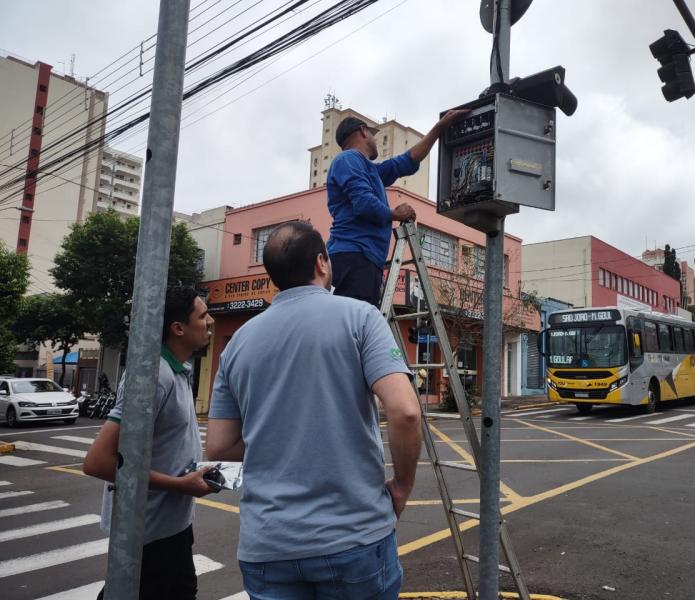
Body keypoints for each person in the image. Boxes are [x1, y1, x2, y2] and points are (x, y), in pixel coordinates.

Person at [207, 221, 422, 599]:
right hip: (354, 538)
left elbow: (220, 448)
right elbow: (405, 412)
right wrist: (402, 486)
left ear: (273, 276)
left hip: (266, 545)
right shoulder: (361, 317)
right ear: (322, 263)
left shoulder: (238, 342)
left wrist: (278, 437)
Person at [83, 287, 216, 600]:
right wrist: (180, 484)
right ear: (178, 328)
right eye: (202, 315)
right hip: (149, 533)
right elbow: (98, 461)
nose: (210, 321)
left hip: (174, 527)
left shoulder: (178, 370)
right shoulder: (154, 374)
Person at [326, 109, 469, 307]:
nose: (376, 141)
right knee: (356, 327)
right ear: (362, 131)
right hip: (353, 255)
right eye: (373, 135)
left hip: (364, 258)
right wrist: (395, 214)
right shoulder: (348, 159)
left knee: (361, 325)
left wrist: (439, 129)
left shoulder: (369, 170)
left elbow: (406, 161)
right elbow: (364, 203)